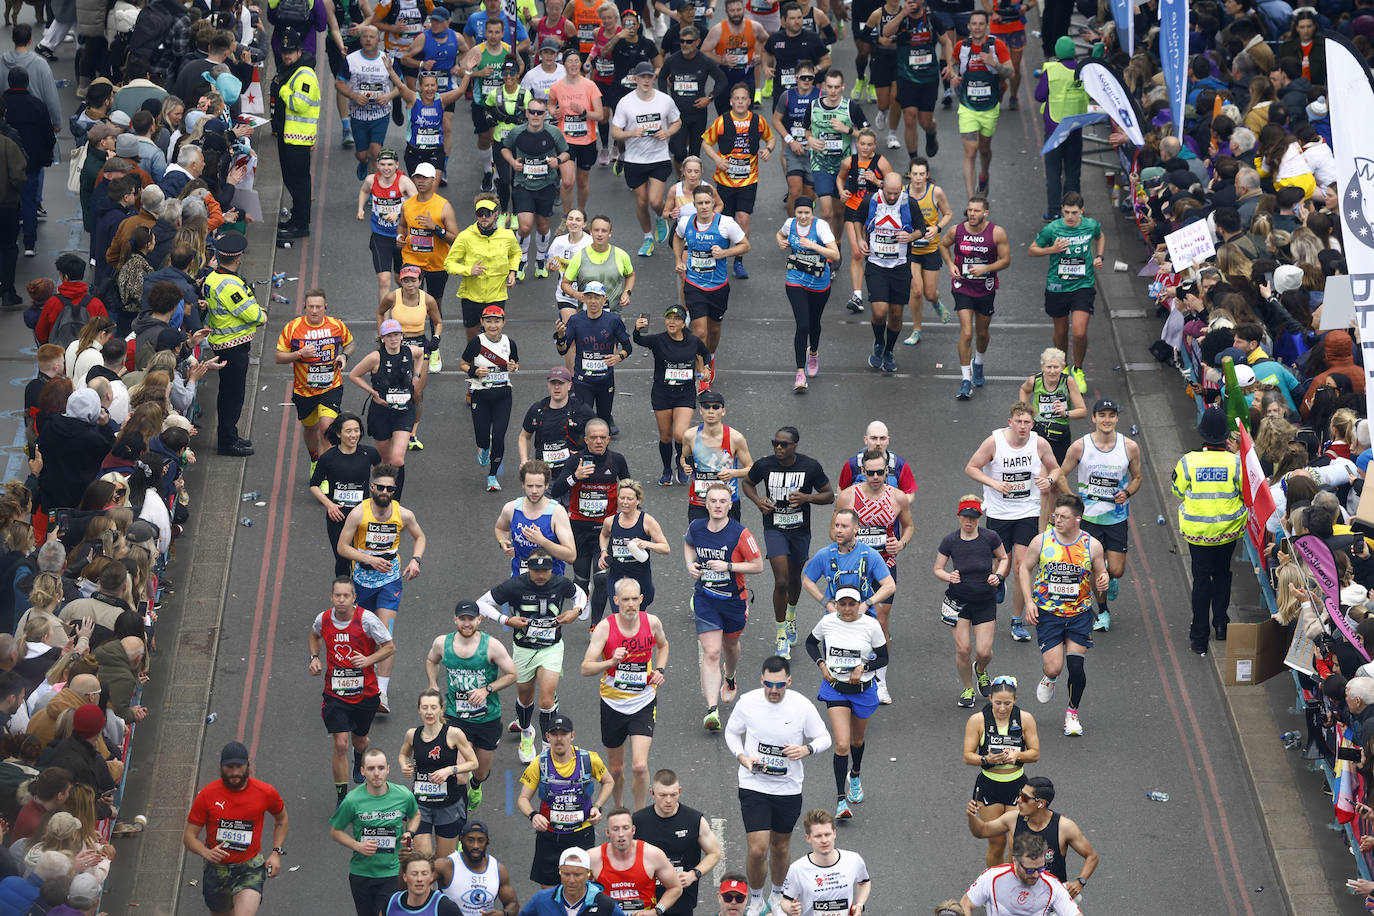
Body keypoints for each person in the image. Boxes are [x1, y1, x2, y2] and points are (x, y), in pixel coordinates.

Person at [724, 656, 830, 916]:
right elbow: (731, 732)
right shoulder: (748, 702)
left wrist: (807, 749)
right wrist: (742, 757)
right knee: (758, 849)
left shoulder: (801, 706)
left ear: (789, 682)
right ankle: (757, 899)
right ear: (761, 680)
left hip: (787, 788)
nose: (773, 690)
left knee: (780, 846)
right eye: (769, 684)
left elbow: (824, 737)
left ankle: (777, 894)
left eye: (779, 685)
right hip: (754, 785)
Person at [964, 401, 1060, 643]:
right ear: (1010, 422)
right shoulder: (994, 442)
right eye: (1018, 421)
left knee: (1021, 566)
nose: (1023, 426)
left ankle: (1017, 620)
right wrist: (994, 483)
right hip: (999, 511)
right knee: (1001, 563)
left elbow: (1056, 469)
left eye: (1027, 422)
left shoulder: (1039, 443)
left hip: (1027, 510)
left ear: (1032, 424)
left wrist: (1049, 481)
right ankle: (1000, 580)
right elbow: (971, 468)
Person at [476, 550, 586, 762]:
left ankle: (547, 746)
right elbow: (481, 603)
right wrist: (506, 621)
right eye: (536, 570)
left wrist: (577, 611)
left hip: (551, 647)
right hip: (524, 648)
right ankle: (527, 732)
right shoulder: (515, 585)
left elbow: (580, 594)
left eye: (544, 570)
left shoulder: (560, 583)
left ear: (551, 569)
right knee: (525, 697)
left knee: (546, 700)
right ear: (529, 569)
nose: (540, 575)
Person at [337, 462, 428, 710]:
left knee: (385, 636)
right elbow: (342, 547)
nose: (385, 493)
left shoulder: (403, 514)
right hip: (362, 582)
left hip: (390, 581)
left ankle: (381, 694)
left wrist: (415, 560)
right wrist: (368, 559)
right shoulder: (358, 513)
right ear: (371, 487)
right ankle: (358, 682)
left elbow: (420, 536)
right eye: (380, 488)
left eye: (390, 489)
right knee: (361, 636)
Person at [1016, 494, 1106, 737]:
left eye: (1064, 517)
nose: (1057, 520)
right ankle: (1049, 677)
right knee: (1055, 667)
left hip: (1079, 614)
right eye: (1056, 516)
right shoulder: (1042, 541)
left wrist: (1103, 579)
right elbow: (1024, 569)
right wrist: (1028, 602)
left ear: (1078, 518)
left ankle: (1072, 714)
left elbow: (1101, 572)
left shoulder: (1092, 545)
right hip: (1049, 614)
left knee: (1076, 666)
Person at [742, 427, 832, 657]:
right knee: (781, 580)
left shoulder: (810, 466)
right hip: (775, 529)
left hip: (800, 531)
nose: (778, 448)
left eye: (784, 444)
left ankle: (791, 616)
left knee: (794, 577)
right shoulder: (764, 465)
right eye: (775, 443)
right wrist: (758, 500)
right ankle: (781, 633)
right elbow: (747, 483)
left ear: (795, 446)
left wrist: (807, 497)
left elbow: (829, 495)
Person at [310, 576, 397, 806]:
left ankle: (359, 758)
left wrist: (368, 660)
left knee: (360, 741)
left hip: (365, 694)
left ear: (354, 598)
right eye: (337, 595)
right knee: (340, 743)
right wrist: (314, 657)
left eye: (346, 596)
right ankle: (342, 796)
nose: (341, 600)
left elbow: (390, 647)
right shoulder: (323, 618)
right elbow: (314, 635)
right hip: (335, 694)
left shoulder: (367, 620)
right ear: (331, 597)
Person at [684, 481, 765, 729]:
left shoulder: (741, 534)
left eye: (722, 501)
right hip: (706, 599)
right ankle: (712, 710)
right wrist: (690, 564)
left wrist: (729, 566)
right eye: (713, 501)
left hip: (733, 601)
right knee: (711, 652)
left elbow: (758, 565)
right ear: (705, 504)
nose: (717, 506)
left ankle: (729, 677)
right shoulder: (696, 527)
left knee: (731, 645)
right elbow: (688, 545)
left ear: (730, 505)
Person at [582, 580, 669, 809]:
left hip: (643, 701)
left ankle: (639, 816)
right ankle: (620, 808)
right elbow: (585, 668)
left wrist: (659, 669)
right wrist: (611, 661)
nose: (631, 605)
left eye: (634, 599)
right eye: (626, 600)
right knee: (617, 768)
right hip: (612, 703)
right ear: (616, 601)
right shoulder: (605, 628)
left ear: (641, 599)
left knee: (640, 765)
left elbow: (663, 646)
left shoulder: (652, 623)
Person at [1057, 398, 1141, 632]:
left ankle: (1110, 577)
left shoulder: (1129, 447)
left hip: (1116, 518)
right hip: (1089, 520)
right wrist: (1074, 498)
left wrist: (1127, 492)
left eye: (1111, 415)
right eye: (1102, 415)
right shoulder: (1080, 446)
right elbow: (1061, 474)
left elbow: (1137, 478)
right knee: (1096, 569)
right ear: (1093, 418)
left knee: (1116, 570)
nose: (1107, 420)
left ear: (1117, 418)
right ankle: (1103, 611)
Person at [425, 600, 518, 810]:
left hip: (487, 719)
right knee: (460, 776)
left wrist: (487, 690)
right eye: (462, 619)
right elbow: (431, 660)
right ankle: (459, 822)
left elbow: (512, 674)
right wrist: (433, 685)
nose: (466, 624)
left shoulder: (491, 645)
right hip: (455, 718)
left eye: (470, 619)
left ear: (479, 619)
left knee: (480, 772)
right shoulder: (442, 643)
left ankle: (476, 786)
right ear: (455, 620)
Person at [804, 588, 885, 819]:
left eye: (852, 604)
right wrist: (821, 665)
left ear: (860, 605)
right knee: (842, 744)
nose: (847, 609)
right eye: (843, 604)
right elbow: (811, 643)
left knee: (857, 740)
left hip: (862, 690)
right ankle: (840, 800)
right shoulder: (828, 621)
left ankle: (856, 775)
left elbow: (883, 656)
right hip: (836, 690)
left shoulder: (870, 625)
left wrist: (863, 668)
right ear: (836, 605)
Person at [1171, 406, 1246, 657]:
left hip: (1198, 532)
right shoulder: (1236, 462)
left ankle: (1199, 637)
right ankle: (1222, 624)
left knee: (1201, 580)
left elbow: (1178, 491)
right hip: (1227, 531)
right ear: (1226, 436)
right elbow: (1246, 493)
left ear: (1202, 433)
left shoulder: (1187, 461)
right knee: (1222, 574)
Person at [183, 741, 289, 916]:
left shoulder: (266, 792)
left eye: (238, 766)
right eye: (228, 767)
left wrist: (276, 852)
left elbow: (282, 818)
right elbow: (189, 836)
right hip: (216, 869)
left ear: (248, 765)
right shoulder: (207, 795)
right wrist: (206, 852)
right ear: (221, 767)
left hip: (249, 867)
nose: (234, 773)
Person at [515, 714, 616, 887]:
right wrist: (533, 815)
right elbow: (523, 799)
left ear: (572, 736)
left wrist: (597, 807)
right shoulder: (540, 763)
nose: (559, 739)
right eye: (554, 734)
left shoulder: (588, 759)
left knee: (579, 887)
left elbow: (608, 781)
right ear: (548, 737)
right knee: (548, 892)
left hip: (581, 835)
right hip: (549, 837)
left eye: (564, 733)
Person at [550, 417, 632, 623]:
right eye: (593, 437)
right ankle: (583, 595)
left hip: (605, 531)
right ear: (586, 439)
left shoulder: (617, 460)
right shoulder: (574, 461)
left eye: (602, 437)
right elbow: (557, 489)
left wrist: (633, 519)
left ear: (608, 439)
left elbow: (630, 489)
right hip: (578, 529)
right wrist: (574, 477)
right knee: (581, 578)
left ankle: (595, 625)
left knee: (602, 579)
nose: (598, 441)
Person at [965, 775, 1099, 897]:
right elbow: (982, 831)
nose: (1018, 800)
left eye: (1024, 798)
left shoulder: (1064, 827)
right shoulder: (1013, 819)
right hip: (1017, 892)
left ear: (1041, 803)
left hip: (1051, 896)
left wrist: (1080, 882)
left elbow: (1092, 856)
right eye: (1019, 795)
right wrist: (972, 816)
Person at [829, 453, 910, 651]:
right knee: (852, 618)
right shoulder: (848, 496)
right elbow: (833, 531)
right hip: (853, 566)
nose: (875, 477)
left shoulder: (897, 497)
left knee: (881, 621)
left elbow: (909, 527)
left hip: (885, 565)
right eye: (871, 472)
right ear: (863, 471)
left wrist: (900, 544)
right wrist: (847, 539)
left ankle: (880, 676)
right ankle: (852, 666)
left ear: (886, 472)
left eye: (880, 472)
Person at [934, 496, 1009, 706]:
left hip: (985, 600)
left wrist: (999, 576)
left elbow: (1003, 558)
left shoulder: (990, 537)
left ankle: (981, 669)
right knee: (963, 649)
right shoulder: (950, 541)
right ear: (959, 517)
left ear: (979, 518)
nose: (969, 521)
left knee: (984, 651)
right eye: (966, 517)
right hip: (958, 602)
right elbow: (937, 568)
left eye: (974, 518)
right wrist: (948, 576)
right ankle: (968, 689)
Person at [330, 748, 422, 916]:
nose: (377, 773)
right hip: (361, 872)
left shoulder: (403, 795)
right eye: (371, 769)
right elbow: (335, 831)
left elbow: (415, 814)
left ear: (388, 769)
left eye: (381, 768)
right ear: (363, 771)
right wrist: (357, 846)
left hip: (392, 872)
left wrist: (410, 832)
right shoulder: (352, 800)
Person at [1027, 191, 1103, 394]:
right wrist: (1051, 250)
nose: (1070, 217)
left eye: (1074, 213)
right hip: (1057, 286)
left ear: (1082, 211)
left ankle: (1078, 370)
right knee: (1060, 332)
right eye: (1067, 212)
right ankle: (1065, 368)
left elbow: (1099, 236)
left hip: (1083, 285)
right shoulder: (1052, 228)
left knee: (1079, 332)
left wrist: (1100, 256)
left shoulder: (1090, 225)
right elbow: (1032, 249)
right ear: (1062, 210)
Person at [961, 677, 1039, 868]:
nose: (1002, 708)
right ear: (989, 699)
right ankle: (993, 885)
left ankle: (1010, 881)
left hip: (1017, 786)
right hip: (990, 786)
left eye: (1007, 703)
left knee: (1017, 843)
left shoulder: (1025, 719)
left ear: (1015, 700)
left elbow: (1035, 754)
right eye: (998, 703)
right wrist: (986, 760)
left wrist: (1018, 755)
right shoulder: (977, 720)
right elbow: (967, 756)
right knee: (997, 843)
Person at [701, 82, 774, 279]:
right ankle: (721, 257)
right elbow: (706, 143)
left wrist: (768, 149)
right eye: (737, 99)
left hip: (748, 181)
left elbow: (771, 138)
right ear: (731, 102)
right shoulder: (722, 121)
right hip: (724, 181)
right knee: (725, 222)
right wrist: (717, 159)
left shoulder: (758, 120)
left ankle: (739, 262)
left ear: (749, 102)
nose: (741, 102)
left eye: (744, 99)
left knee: (743, 219)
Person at [203, 231, 266, 457]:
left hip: (223, 343)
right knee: (233, 397)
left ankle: (230, 434)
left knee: (229, 395)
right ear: (237, 259)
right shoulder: (230, 285)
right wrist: (261, 315)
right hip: (233, 346)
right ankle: (227, 442)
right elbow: (254, 315)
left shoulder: (212, 278)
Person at [633, 306, 713, 484]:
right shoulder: (658, 340)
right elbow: (638, 340)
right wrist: (637, 329)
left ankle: (681, 460)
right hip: (662, 394)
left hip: (685, 394)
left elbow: (705, 352)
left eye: (676, 319)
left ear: (683, 323)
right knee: (666, 437)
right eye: (669, 318)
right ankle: (667, 468)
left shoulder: (693, 341)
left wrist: (706, 367)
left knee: (680, 434)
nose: (672, 322)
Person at [276, 289, 355, 464]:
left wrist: (344, 356)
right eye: (310, 306)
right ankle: (315, 461)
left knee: (327, 429)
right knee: (310, 429)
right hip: (304, 391)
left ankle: (325, 473)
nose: (314, 310)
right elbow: (279, 357)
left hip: (331, 387)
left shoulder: (336, 325)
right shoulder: (293, 328)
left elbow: (349, 344)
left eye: (318, 307)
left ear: (325, 307)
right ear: (304, 306)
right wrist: (299, 354)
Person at [398, 688, 480, 858]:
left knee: (444, 860)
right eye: (425, 707)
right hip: (421, 802)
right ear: (419, 709)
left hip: (448, 804)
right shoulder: (412, 734)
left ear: (442, 709)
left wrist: (449, 770)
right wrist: (404, 765)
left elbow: (474, 763)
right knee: (423, 854)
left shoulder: (454, 734)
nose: (429, 712)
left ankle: (439, 884)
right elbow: (403, 754)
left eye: (433, 707)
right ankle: (426, 884)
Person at [612, 61, 682, 256]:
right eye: (642, 77)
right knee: (641, 202)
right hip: (634, 160)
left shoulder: (664, 100)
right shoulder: (625, 102)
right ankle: (647, 238)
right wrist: (630, 133)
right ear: (635, 79)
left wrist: (667, 133)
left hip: (658, 158)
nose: (645, 80)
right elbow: (615, 132)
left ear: (653, 78)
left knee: (654, 201)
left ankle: (660, 216)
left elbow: (677, 121)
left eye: (649, 77)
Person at [942, 194, 1008, 400]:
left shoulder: (996, 233)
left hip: (985, 288)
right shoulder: (957, 231)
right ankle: (965, 380)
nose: (972, 214)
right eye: (970, 210)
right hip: (962, 286)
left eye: (976, 210)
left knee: (982, 333)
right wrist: (951, 264)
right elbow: (943, 245)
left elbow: (1006, 260)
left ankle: (978, 362)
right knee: (967, 333)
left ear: (985, 213)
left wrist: (986, 268)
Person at [631, 770, 722, 916]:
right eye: (663, 795)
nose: (668, 800)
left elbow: (715, 853)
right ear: (652, 793)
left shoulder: (694, 820)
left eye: (673, 795)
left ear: (679, 791)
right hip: (647, 900)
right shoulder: (638, 821)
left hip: (682, 900)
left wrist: (694, 874)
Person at [673, 185, 749, 357]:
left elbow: (745, 246)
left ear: (713, 202)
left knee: (714, 329)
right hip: (694, 284)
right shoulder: (686, 223)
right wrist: (678, 259)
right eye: (700, 203)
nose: (704, 206)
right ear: (695, 204)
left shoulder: (726, 223)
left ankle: (711, 357)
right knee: (699, 332)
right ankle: (702, 368)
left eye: (707, 202)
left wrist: (725, 253)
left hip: (718, 286)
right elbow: (677, 238)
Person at [501, 95, 570, 279]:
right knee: (524, 227)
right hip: (523, 184)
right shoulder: (517, 132)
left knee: (542, 226)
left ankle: (540, 259)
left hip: (546, 184)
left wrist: (558, 160)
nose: (535, 115)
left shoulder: (553, 133)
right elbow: (504, 148)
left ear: (545, 114)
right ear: (527, 113)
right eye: (532, 112)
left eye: (539, 112)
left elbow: (566, 153)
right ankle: (521, 260)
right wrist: (512, 161)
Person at [776, 196, 840, 390]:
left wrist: (813, 245)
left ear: (813, 213)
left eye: (807, 213)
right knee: (802, 325)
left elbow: (835, 254)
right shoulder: (790, 224)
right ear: (794, 213)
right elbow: (779, 234)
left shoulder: (820, 227)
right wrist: (781, 242)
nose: (803, 217)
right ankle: (799, 373)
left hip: (819, 282)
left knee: (814, 323)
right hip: (795, 279)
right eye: (799, 213)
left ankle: (813, 352)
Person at [348, 320, 427, 476]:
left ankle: (395, 498)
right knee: (386, 460)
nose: (393, 339)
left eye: (396, 335)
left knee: (397, 459)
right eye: (389, 336)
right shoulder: (375, 358)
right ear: (382, 338)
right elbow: (354, 375)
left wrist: (417, 375)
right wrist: (373, 393)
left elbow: (421, 354)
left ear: (401, 336)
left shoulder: (409, 351)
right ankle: (384, 492)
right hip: (381, 413)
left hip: (404, 411)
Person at [377, 264, 442, 450]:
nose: (410, 284)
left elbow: (438, 322)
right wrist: (382, 333)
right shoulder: (392, 297)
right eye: (406, 280)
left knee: (416, 392)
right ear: (401, 281)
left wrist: (436, 337)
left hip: (421, 346)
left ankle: (412, 433)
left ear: (420, 281)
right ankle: (393, 426)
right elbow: (380, 312)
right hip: (396, 345)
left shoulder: (427, 300)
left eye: (413, 280)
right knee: (392, 388)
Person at [945, 11, 1008, 196]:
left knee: (984, 149)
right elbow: (953, 63)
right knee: (970, 151)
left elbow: (1010, 72)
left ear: (986, 26)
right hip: (968, 107)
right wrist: (954, 75)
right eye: (974, 24)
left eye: (981, 24)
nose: (978, 27)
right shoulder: (962, 46)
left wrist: (994, 63)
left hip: (989, 107)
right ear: (969, 26)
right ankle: (972, 200)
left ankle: (984, 174)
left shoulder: (997, 46)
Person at [444, 193, 521, 344]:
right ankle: (472, 367)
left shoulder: (507, 236)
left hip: (496, 296)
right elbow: (449, 264)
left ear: (496, 214)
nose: (484, 217)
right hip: (471, 297)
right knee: (473, 341)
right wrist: (469, 270)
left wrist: (512, 272)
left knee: (493, 338)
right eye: (480, 214)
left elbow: (516, 253)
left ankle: (493, 367)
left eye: (487, 213)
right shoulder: (465, 236)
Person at [859, 172, 917, 373]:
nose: (892, 197)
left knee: (895, 315)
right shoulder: (872, 200)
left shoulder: (909, 203)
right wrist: (860, 239)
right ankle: (878, 342)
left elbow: (921, 228)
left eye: (895, 193)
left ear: (901, 189)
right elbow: (857, 220)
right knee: (879, 311)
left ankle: (889, 350)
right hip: (876, 265)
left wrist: (910, 237)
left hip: (900, 266)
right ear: (882, 187)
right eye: (888, 193)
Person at [311, 413, 382, 576]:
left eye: (357, 430)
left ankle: (360, 596)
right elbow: (314, 485)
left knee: (365, 559)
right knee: (342, 559)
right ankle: (343, 597)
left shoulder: (370, 454)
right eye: (349, 431)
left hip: (363, 516)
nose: (353, 435)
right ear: (338, 434)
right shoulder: (328, 458)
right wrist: (329, 505)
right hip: (338, 517)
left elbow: (382, 476)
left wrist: (377, 494)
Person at [555, 286, 633, 432]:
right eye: (589, 297)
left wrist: (618, 357)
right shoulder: (575, 320)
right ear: (583, 299)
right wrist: (560, 338)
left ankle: (601, 454)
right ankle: (583, 454)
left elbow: (628, 347)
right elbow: (562, 350)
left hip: (605, 381)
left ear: (604, 300)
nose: (593, 301)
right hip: (583, 382)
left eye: (597, 297)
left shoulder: (613, 320)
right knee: (583, 422)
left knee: (603, 424)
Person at [459, 305, 520, 491]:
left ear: (503, 323)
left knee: (500, 438)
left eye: (497, 321)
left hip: (503, 395)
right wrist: (474, 371)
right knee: (482, 437)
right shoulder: (476, 342)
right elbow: (462, 363)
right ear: (483, 323)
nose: (493, 325)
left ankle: (492, 476)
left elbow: (516, 362)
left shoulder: (510, 343)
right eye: (489, 321)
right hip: (481, 394)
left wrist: (514, 367)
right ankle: (484, 448)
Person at [803, 69, 863, 252]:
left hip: (844, 166)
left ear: (843, 87)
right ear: (823, 87)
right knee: (827, 212)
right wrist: (810, 139)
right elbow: (806, 130)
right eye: (829, 86)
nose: (833, 91)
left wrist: (848, 130)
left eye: (837, 87)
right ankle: (827, 249)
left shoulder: (850, 107)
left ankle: (836, 243)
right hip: (820, 164)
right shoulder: (813, 106)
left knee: (839, 212)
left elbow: (868, 135)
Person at [398, 163, 459, 338]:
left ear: (433, 180)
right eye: (417, 177)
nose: (420, 181)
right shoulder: (408, 204)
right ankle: (408, 342)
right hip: (412, 260)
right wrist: (399, 238)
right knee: (409, 301)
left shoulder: (443, 206)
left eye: (425, 178)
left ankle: (434, 345)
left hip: (437, 264)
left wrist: (435, 228)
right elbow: (402, 226)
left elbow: (456, 238)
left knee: (434, 305)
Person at [836, 128, 892, 315]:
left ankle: (881, 289)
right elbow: (840, 178)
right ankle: (857, 295)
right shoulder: (849, 161)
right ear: (857, 144)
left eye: (869, 144)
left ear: (875, 145)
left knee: (875, 253)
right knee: (858, 253)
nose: (866, 148)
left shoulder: (881, 162)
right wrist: (841, 192)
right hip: (853, 210)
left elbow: (894, 187)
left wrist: (877, 182)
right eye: (862, 144)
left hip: (876, 212)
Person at [883, 0, 949, 157]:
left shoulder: (932, 19)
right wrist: (902, 14)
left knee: (926, 122)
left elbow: (946, 42)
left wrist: (949, 65)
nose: (911, 1)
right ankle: (914, 161)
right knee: (909, 118)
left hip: (929, 77)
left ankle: (931, 134)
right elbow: (886, 32)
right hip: (906, 76)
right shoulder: (902, 18)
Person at [273, 30, 322, 241]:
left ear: (299, 52)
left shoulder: (304, 75)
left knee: (299, 183)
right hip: (288, 136)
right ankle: (296, 219)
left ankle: (302, 225)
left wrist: (282, 89)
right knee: (291, 181)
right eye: (284, 52)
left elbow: (298, 104)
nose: (287, 56)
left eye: (291, 52)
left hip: (298, 138)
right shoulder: (291, 70)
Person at [958, 833, 1081, 916]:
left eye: (1040, 868)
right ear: (1015, 861)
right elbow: (965, 904)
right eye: (1030, 870)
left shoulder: (1053, 886)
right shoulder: (992, 877)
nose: (1036, 875)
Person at [588, 808, 683, 913]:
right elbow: (575, 890)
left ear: (633, 830)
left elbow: (675, 887)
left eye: (625, 828)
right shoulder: (592, 858)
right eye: (615, 829)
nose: (621, 834)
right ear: (607, 832)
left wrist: (657, 911)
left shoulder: (653, 855)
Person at [900, 157, 953, 345]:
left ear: (927, 175)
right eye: (914, 174)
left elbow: (948, 214)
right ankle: (916, 330)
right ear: (909, 174)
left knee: (929, 294)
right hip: (911, 250)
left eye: (922, 174)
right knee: (916, 291)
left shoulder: (935, 192)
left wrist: (937, 228)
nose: (918, 178)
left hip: (930, 249)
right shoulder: (902, 192)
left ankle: (937, 303)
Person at [659, 26, 727, 171]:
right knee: (679, 152)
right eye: (682, 41)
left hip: (698, 114)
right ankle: (681, 177)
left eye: (689, 42)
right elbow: (661, 77)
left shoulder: (705, 61)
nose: (684, 44)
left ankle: (688, 183)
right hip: (677, 114)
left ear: (697, 42)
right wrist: (665, 99)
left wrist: (709, 98)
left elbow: (722, 80)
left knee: (694, 154)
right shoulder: (672, 60)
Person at [495, 459, 578, 577]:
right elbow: (501, 528)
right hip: (520, 580)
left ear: (547, 485)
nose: (534, 491)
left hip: (551, 583)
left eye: (539, 486)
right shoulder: (511, 508)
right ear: (523, 484)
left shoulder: (557, 513)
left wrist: (542, 541)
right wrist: (502, 541)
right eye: (530, 486)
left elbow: (571, 556)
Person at [779, 810, 870, 916]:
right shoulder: (797, 869)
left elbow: (864, 882)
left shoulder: (853, 860)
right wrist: (791, 908)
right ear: (808, 838)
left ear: (834, 834)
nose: (824, 840)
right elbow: (785, 900)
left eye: (827, 834)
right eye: (818, 836)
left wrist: (859, 905)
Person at [682, 389, 755, 521]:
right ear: (700, 411)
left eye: (715, 407)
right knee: (699, 541)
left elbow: (752, 469)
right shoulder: (690, 436)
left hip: (726, 501)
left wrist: (733, 473)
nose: (711, 411)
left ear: (723, 411)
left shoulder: (735, 438)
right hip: (699, 501)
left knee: (728, 541)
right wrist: (685, 466)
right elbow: (684, 458)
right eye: (706, 407)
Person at [337, 25, 398, 181]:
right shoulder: (351, 60)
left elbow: (401, 86)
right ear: (360, 39)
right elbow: (339, 83)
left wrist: (388, 96)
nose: (368, 40)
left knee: (376, 152)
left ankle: (373, 188)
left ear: (378, 39)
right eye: (365, 37)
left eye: (372, 37)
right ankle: (363, 163)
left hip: (380, 114)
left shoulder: (388, 59)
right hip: (358, 115)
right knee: (362, 155)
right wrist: (354, 96)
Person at [1036, 36, 1087, 221]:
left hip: (1054, 129)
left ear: (1057, 52)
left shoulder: (1052, 70)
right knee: (1073, 171)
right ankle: (1073, 210)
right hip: (1075, 129)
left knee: (1053, 171)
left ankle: (1055, 211)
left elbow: (1039, 96)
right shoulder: (1083, 70)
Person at [547, 48, 604, 212]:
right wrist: (552, 111)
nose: (573, 64)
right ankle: (566, 216)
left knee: (582, 181)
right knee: (567, 181)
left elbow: (599, 115)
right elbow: (551, 104)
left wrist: (584, 112)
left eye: (576, 61)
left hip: (587, 140)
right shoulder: (556, 87)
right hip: (565, 141)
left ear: (580, 63)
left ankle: (580, 212)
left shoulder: (590, 86)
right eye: (569, 61)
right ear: (563, 64)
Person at [388, 69, 466, 187]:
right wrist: (389, 69)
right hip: (415, 153)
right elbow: (400, 85)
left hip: (436, 152)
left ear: (437, 86)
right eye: (426, 85)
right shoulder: (413, 98)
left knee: (431, 194)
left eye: (432, 85)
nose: (430, 89)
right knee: (418, 192)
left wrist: (469, 71)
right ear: (420, 87)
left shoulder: (441, 99)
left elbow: (460, 91)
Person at [600, 479, 671, 608]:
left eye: (630, 499)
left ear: (638, 501)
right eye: (622, 498)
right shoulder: (610, 521)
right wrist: (604, 551)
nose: (625, 502)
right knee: (619, 615)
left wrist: (647, 544)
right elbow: (604, 535)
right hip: (617, 577)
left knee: (638, 616)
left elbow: (665, 548)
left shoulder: (647, 521)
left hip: (640, 578)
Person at [360, 151, 419, 305]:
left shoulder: (404, 182)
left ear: (397, 165)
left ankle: (411, 308)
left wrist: (398, 212)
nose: (386, 168)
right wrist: (360, 208)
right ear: (378, 165)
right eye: (383, 164)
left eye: (390, 165)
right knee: (384, 282)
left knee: (401, 280)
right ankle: (384, 324)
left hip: (401, 237)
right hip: (380, 236)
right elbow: (364, 191)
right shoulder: (371, 180)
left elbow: (418, 204)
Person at [1015, 347, 1084, 465]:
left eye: (1056, 367)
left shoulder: (1068, 382)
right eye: (1049, 367)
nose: (1052, 371)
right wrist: (1025, 410)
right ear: (1042, 367)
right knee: (1037, 469)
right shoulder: (1035, 381)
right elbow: (1024, 389)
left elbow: (1082, 411)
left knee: (1057, 473)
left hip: (1059, 432)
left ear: (1062, 368)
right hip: (1038, 429)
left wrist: (1066, 413)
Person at [560, 214, 637, 319]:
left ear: (610, 234)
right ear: (591, 232)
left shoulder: (621, 255)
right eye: (596, 230)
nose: (599, 234)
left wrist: (627, 292)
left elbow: (630, 275)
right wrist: (575, 294)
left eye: (604, 231)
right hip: (586, 317)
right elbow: (565, 284)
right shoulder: (579, 256)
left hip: (613, 316)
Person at [435, 820, 521, 915]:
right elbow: (420, 888)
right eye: (470, 840)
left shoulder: (498, 870)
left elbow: (513, 903)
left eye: (480, 840)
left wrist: (504, 914)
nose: (475, 846)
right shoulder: (445, 866)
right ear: (461, 840)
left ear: (487, 841)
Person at [519, 367, 598, 466]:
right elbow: (524, 437)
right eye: (553, 383)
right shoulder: (537, 409)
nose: (556, 387)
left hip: (573, 471)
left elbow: (599, 438)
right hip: (544, 472)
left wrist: (584, 454)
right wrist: (524, 460)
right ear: (548, 384)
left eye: (561, 383)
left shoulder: (582, 410)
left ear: (569, 385)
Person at [519, 847, 624, 912]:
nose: (571, 880)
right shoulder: (541, 900)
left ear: (588, 874)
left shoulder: (606, 905)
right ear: (559, 870)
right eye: (566, 874)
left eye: (577, 875)